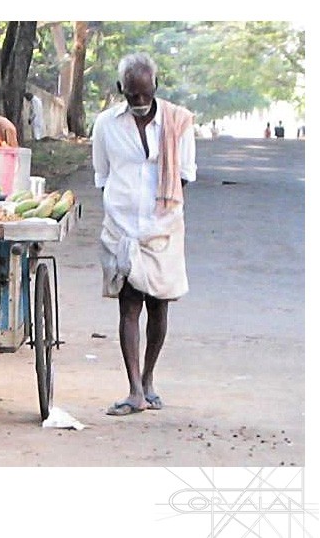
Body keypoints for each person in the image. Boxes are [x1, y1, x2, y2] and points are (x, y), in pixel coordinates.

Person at [92, 52, 197, 415]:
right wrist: (121, 211)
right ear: (120, 89)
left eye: (144, 93)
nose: (138, 101)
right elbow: (102, 176)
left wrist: (159, 211)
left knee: (159, 306)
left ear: (156, 85)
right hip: (121, 227)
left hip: (163, 227)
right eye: (131, 94)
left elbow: (184, 175)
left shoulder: (178, 122)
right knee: (129, 305)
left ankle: (149, 379)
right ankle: (134, 388)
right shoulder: (105, 124)